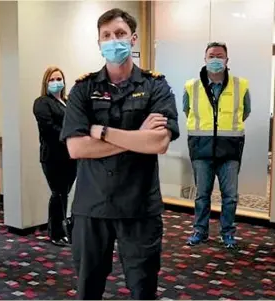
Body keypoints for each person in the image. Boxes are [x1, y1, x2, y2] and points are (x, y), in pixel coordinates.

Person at [60, 8, 179, 300]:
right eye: (107, 36)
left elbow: (159, 143)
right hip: (92, 206)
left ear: (133, 38)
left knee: (143, 289)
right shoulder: (83, 89)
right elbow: (76, 148)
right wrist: (139, 136)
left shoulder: (155, 86)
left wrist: (100, 132)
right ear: (99, 42)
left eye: (121, 34)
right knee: (89, 287)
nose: (114, 41)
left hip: (139, 206)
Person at [183, 42, 251, 249]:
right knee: (202, 195)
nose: (215, 60)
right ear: (204, 59)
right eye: (211, 55)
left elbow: (245, 112)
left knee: (230, 196)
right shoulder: (191, 86)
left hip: (229, 149)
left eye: (219, 56)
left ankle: (227, 233)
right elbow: (187, 111)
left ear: (227, 60)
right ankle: (200, 231)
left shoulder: (241, 85)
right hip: (201, 149)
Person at [33, 66, 77, 246]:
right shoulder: (42, 102)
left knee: (65, 194)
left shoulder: (68, 101)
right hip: (53, 156)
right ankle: (56, 232)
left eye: (59, 79)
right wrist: (70, 137)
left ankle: (62, 229)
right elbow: (48, 128)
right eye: (52, 79)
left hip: (71, 156)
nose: (56, 82)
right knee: (58, 193)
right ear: (46, 83)